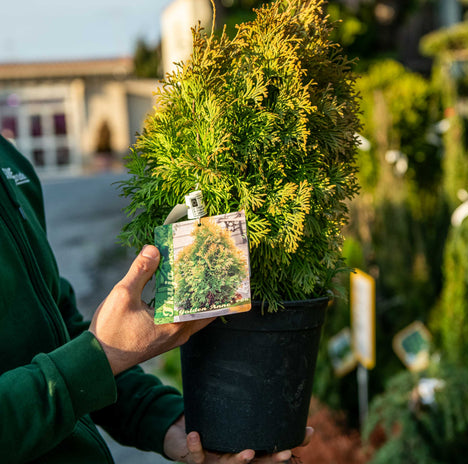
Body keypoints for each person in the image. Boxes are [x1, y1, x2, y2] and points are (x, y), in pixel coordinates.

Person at [0, 134, 312, 463]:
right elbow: (78, 363)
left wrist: (166, 420)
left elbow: (57, 332)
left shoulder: (10, 161)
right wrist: (102, 355)